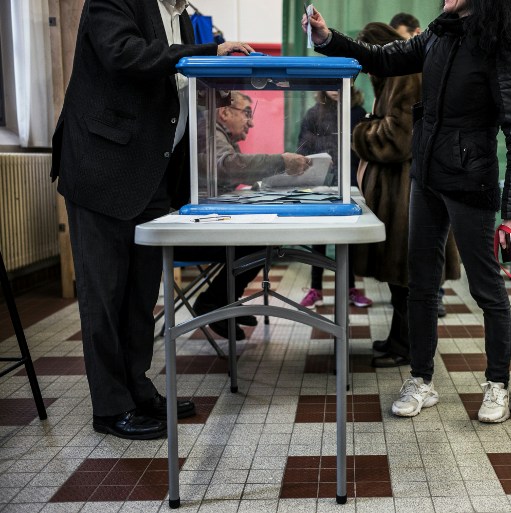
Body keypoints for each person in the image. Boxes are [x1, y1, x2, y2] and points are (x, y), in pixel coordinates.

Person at [303, 0, 511, 423]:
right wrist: (327, 38)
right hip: (425, 178)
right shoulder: (438, 33)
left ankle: (497, 384)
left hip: (472, 181)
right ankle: (421, 379)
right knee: (421, 283)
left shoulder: (503, 45)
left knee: (486, 287)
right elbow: (381, 57)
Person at [50, 0, 256, 440]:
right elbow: (122, 55)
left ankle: (138, 389)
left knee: (142, 294)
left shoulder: (180, 16)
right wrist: (204, 53)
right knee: (104, 295)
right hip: (103, 168)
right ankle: (111, 407)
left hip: (150, 174)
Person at [348, 22, 461, 369]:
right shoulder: (397, 77)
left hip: (408, 193)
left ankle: (409, 347)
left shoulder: (406, 76)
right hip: (402, 191)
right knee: (404, 280)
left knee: (410, 278)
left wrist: (360, 131)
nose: (365, 68)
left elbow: (398, 137)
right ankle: (401, 339)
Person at [186, 91, 311, 340]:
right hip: (190, 232)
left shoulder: (218, 133)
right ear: (224, 112)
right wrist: (280, 162)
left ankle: (227, 298)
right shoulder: (209, 131)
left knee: (264, 238)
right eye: (247, 114)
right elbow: (230, 166)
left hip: (202, 221)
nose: (251, 122)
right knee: (259, 240)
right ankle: (216, 302)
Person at [387, 12, 451, 319]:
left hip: (438, 165)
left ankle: (434, 295)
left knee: (435, 243)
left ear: (416, 32)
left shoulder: (429, 62)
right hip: (419, 169)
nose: (400, 47)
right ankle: (426, 300)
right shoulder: (405, 67)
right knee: (424, 248)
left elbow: (399, 133)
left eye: (402, 38)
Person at [296, 88, 373, 310]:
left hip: (350, 182)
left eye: (338, 85)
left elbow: (365, 148)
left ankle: (350, 288)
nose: (334, 91)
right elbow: (303, 146)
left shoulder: (357, 112)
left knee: (346, 237)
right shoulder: (314, 113)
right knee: (318, 236)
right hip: (320, 182)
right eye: (329, 86)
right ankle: (315, 289)